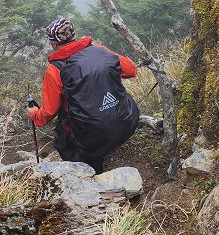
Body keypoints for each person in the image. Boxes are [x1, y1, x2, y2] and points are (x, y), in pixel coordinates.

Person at [26, 18, 140, 174]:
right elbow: (131, 70)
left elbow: (48, 113)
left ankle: (90, 172)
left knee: (62, 141)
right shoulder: (100, 50)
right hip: (126, 122)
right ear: (73, 35)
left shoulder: (55, 70)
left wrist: (34, 115)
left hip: (91, 135)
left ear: (53, 44)